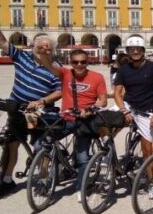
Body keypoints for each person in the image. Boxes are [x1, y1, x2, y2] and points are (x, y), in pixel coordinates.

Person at [0, 8, 62, 196]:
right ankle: (7, 180)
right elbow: (2, 42)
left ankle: (44, 179)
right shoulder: (22, 57)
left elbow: (60, 90)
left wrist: (42, 101)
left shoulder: (56, 68)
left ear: (52, 50)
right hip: (17, 108)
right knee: (12, 144)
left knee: (41, 147)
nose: (44, 49)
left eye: (47, 47)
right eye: (40, 46)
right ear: (33, 47)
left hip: (41, 112)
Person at [45, 49, 107, 202]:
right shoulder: (65, 74)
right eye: (75, 62)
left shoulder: (97, 77)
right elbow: (47, 64)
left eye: (83, 62)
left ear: (88, 62)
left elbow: (103, 101)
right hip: (66, 118)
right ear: (70, 62)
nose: (79, 65)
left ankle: (81, 186)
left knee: (82, 157)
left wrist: (91, 108)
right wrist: (44, 53)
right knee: (42, 143)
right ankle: (60, 161)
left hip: (84, 121)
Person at [113, 35, 153, 160]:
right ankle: (107, 152)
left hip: (147, 110)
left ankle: (150, 179)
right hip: (128, 105)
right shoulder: (123, 70)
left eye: (138, 49)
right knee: (103, 120)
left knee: (147, 150)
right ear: (127, 51)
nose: (135, 51)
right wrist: (124, 111)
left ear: (143, 50)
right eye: (132, 49)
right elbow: (117, 93)